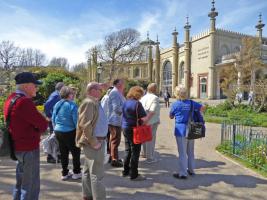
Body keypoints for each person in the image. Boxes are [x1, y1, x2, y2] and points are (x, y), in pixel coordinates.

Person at [3, 72, 48, 200]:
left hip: (17, 147)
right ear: (27, 86)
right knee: (31, 186)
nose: (37, 88)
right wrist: (39, 122)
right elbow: (43, 125)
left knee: (20, 182)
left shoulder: (10, 99)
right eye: (35, 85)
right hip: (29, 148)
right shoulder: (25, 102)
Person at [76, 82, 108, 200]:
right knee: (97, 174)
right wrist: (94, 142)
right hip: (94, 143)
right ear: (93, 90)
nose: (102, 91)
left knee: (88, 171)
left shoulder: (93, 102)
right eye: (99, 89)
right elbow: (85, 125)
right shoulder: (89, 102)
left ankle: (88, 195)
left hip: (95, 141)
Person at [169, 85, 204, 179]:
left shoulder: (175, 104)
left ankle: (183, 173)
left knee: (182, 153)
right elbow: (202, 108)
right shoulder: (192, 103)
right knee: (191, 151)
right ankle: (191, 170)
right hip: (191, 128)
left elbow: (171, 116)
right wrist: (197, 115)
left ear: (177, 94)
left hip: (180, 130)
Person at [52, 86, 81, 181]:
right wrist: (79, 133)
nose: (73, 95)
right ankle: (76, 172)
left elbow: (53, 118)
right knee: (75, 152)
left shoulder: (57, 104)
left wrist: (55, 128)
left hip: (58, 131)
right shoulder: (72, 105)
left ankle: (64, 173)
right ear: (69, 95)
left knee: (63, 152)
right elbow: (76, 121)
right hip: (70, 131)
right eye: (72, 93)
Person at [122, 86, 149, 181]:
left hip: (125, 127)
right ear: (137, 94)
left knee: (128, 150)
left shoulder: (125, 102)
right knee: (135, 151)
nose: (141, 96)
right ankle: (134, 174)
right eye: (141, 94)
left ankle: (125, 171)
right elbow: (144, 118)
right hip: (135, 129)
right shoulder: (137, 104)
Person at [44, 82, 64, 163]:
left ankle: (56, 155)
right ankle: (51, 157)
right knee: (53, 139)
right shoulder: (56, 95)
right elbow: (47, 105)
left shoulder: (56, 94)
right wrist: (49, 116)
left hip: (56, 120)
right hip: (54, 121)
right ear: (61, 88)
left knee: (56, 139)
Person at [140, 83, 161, 163]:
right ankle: (150, 157)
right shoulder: (155, 98)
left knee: (144, 138)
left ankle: (144, 153)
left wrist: (143, 120)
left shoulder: (143, 97)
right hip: (151, 121)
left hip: (143, 120)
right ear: (154, 89)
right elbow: (152, 110)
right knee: (150, 139)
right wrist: (147, 119)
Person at [108, 79, 125, 167]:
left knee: (114, 140)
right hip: (115, 120)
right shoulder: (115, 92)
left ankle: (113, 157)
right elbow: (116, 108)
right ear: (117, 84)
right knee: (115, 140)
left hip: (116, 120)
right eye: (121, 83)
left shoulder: (118, 92)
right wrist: (126, 108)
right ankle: (114, 159)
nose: (123, 84)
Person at [101, 86, 113, 162]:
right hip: (107, 121)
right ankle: (108, 152)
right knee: (107, 137)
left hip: (107, 120)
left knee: (108, 137)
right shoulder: (107, 98)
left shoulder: (106, 97)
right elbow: (104, 109)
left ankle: (108, 152)